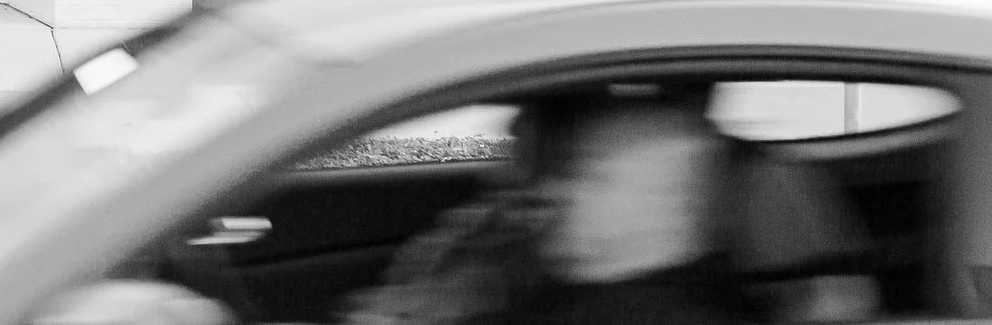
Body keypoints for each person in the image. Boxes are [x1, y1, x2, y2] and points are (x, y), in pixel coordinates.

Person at [342, 86, 877, 325]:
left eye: (590, 175)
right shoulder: (505, 226)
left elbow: (833, 300)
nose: (509, 138)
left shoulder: (744, 185)